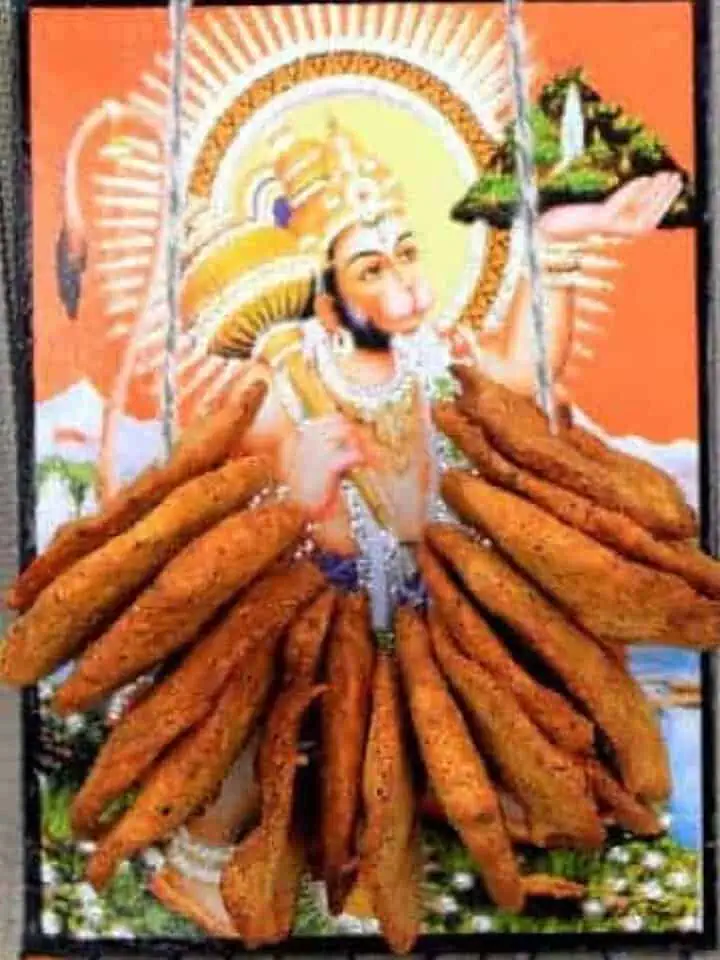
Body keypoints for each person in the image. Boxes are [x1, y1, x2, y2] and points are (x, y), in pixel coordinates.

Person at [150, 120, 681, 935]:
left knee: (473, 717)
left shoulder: (436, 363)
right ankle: (198, 866)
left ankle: (409, 858)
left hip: (432, 600)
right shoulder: (286, 389)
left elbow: (525, 377)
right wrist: (298, 485)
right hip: (323, 603)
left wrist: (556, 242)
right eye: (372, 267)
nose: (402, 276)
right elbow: (221, 490)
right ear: (327, 302)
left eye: (406, 252)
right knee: (275, 717)